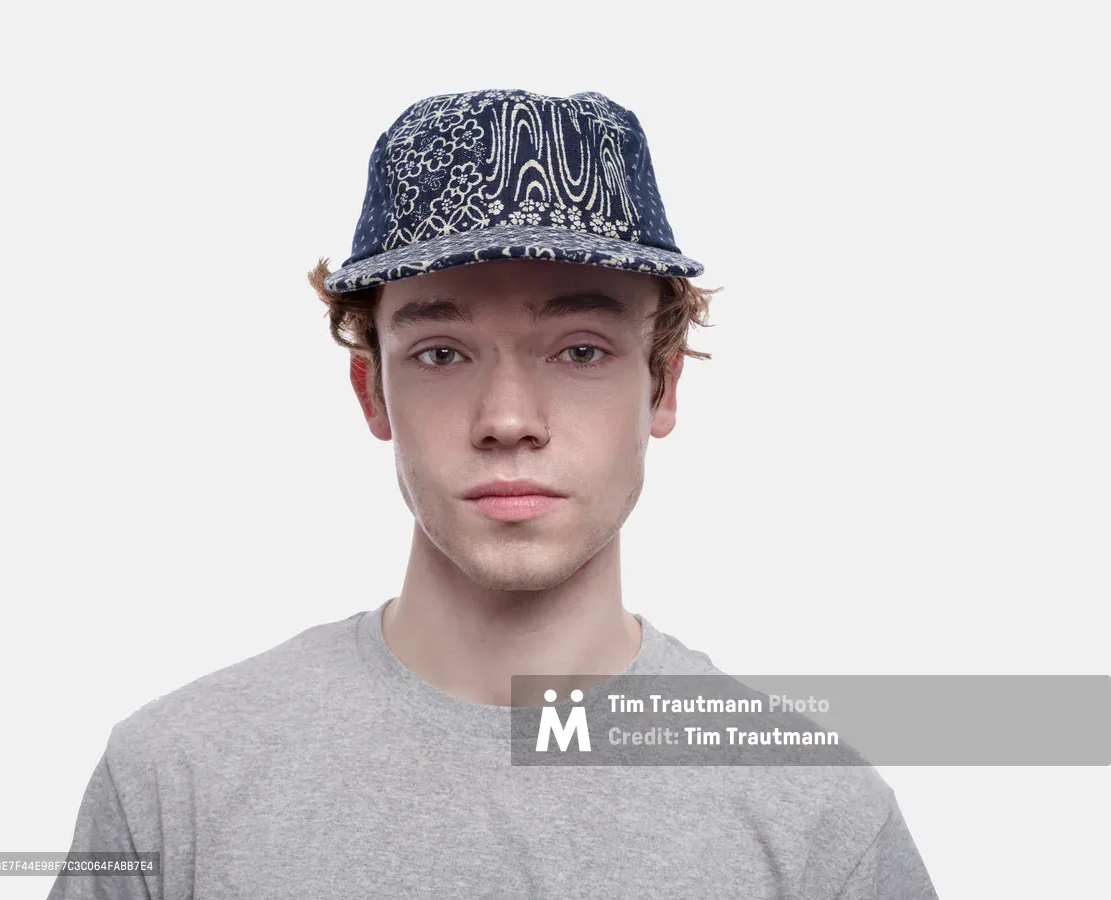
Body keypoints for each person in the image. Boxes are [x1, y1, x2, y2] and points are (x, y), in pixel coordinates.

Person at [49, 88, 938, 899]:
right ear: (373, 393)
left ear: (663, 387)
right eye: (442, 353)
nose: (509, 419)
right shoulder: (174, 783)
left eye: (580, 350)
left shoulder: (818, 818)